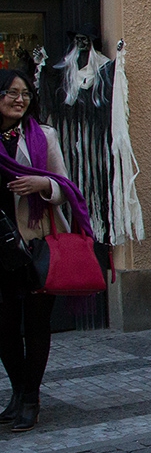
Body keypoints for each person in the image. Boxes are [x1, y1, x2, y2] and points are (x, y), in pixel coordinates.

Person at [0, 69, 88, 433]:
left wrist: (43, 183)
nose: (19, 99)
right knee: (4, 327)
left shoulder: (43, 136)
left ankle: (31, 399)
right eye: (11, 92)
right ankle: (19, 392)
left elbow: (66, 188)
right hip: (0, 250)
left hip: (37, 244)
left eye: (25, 93)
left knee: (36, 325)